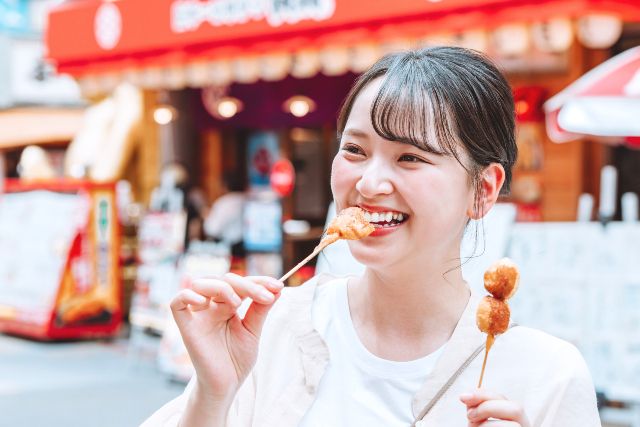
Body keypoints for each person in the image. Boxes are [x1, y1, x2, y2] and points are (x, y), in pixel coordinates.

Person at [142, 47, 600, 427]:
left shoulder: (546, 375)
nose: (369, 183)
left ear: (482, 190)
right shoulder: (274, 328)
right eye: (355, 150)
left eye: (410, 158)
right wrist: (212, 393)